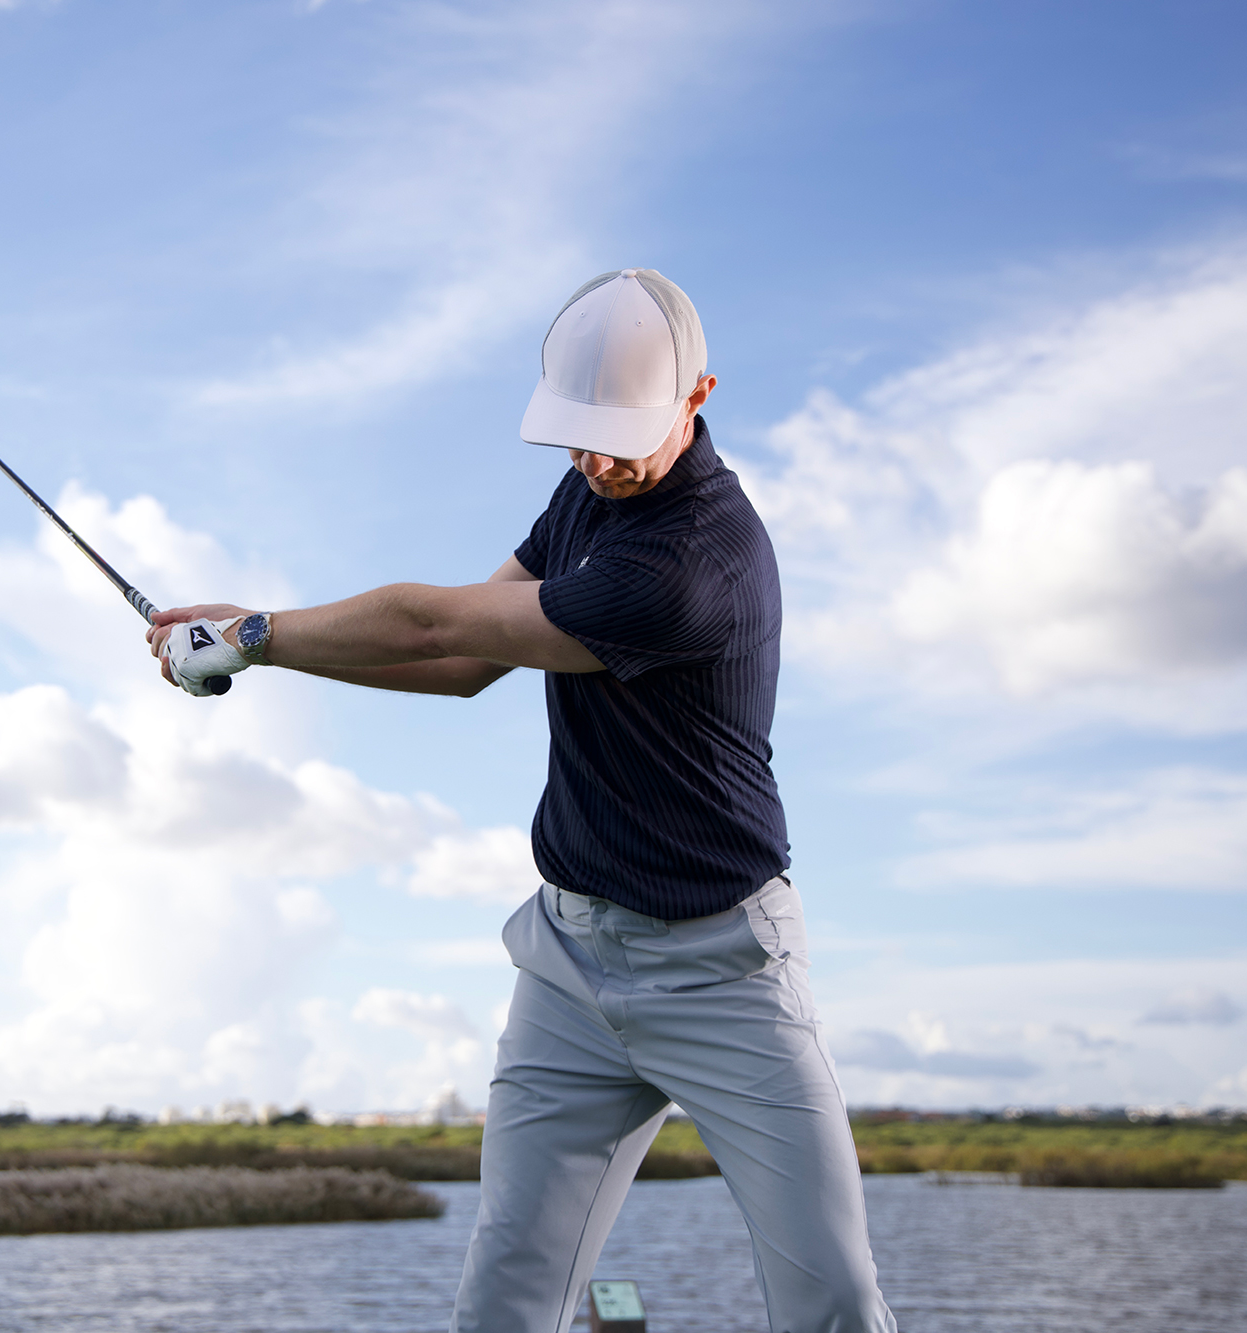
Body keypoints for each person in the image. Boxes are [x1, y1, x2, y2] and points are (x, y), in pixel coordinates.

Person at [146, 269, 897, 1333]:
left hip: (721, 968)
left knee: (828, 1298)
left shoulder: (685, 565)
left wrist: (254, 636)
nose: (596, 463)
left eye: (619, 435)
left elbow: (430, 627)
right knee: (503, 1292)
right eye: (577, 440)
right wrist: (260, 651)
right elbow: (463, 660)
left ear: (698, 395)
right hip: (568, 964)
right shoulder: (591, 489)